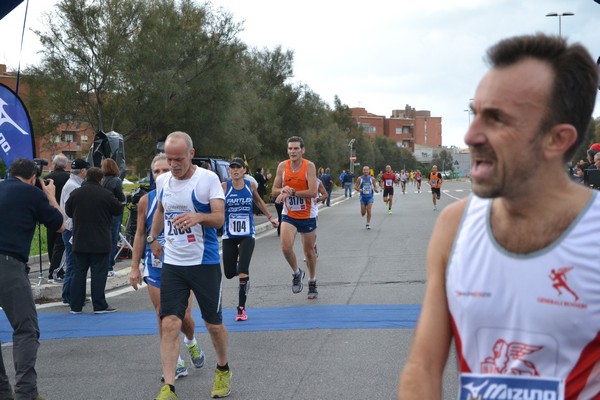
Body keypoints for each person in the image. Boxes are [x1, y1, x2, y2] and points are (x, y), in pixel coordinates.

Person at [398, 33, 600, 400]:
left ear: (557, 139)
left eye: (497, 119)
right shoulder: (454, 226)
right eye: (475, 113)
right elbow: (423, 368)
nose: (472, 134)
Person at [148, 131, 231, 399]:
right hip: (173, 264)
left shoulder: (207, 180)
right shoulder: (163, 182)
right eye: (170, 159)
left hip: (203, 263)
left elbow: (219, 219)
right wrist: (152, 237)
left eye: (179, 159)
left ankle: (222, 368)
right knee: (170, 321)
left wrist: (198, 217)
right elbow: (160, 211)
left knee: (213, 324)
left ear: (191, 154)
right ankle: (169, 387)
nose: (173, 164)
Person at [129, 153, 205, 381]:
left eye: (165, 170)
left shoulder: (186, 194)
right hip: (156, 266)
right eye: (156, 172)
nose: (161, 175)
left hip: (183, 263)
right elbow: (140, 234)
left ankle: (190, 341)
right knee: (163, 315)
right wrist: (134, 267)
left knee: (183, 316)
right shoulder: (146, 200)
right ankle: (176, 363)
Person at [0, 158, 64, 400]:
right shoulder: (31, 193)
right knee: (26, 329)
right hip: (8, 264)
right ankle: (27, 392)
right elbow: (60, 225)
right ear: (33, 178)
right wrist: (49, 195)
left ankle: (2, 390)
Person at [222, 158, 278, 321]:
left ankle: (241, 309)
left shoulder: (250, 185)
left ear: (244, 170)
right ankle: (240, 264)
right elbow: (215, 205)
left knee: (244, 271)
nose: (235, 170)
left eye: (238, 168)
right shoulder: (224, 187)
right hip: (229, 234)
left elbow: (258, 201)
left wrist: (270, 217)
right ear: (229, 171)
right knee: (229, 273)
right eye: (232, 168)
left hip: (247, 234)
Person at [65, 167, 123, 314]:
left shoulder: (76, 193)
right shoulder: (106, 194)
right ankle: (99, 305)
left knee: (79, 273)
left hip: (80, 239)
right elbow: (118, 209)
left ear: (86, 177)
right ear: (101, 179)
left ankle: (76, 306)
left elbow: (68, 211)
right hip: (100, 240)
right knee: (98, 273)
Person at [272, 136, 319, 299]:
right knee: (285, 247)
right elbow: (274, 189)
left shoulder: (309, 166)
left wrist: (293, 192)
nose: (293, 151)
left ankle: (312, 281)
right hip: (289, 213)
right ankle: (297, 272)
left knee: (309, 252)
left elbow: (313, 192)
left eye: (296, 148)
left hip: (307, 214)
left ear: (302, 150)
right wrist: (282, 191)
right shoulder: (282, 166)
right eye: (290, 149)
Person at [59, 158, 89, 306]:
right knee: (73, 263)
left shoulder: (74, 184)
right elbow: (72, 211)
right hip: (71, 229)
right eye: (86, 170)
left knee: (75, 262)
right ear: (82, 171)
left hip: (70, 228)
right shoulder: (73, 186)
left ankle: (74, 293)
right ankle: (68, 295)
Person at [45, 154, 70, 283]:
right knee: (61, 244)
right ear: (65, 165)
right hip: (64, 213)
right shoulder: (69, 177)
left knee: (51, 242)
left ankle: (52, 265)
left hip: (49, 212)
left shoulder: (48, 177)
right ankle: (57, 269)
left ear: (54, 164)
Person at [101, 158, 126, 277]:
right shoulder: (116, 180)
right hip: (114, 213)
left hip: (103, 212)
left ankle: (103, 265)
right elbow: (121, 198)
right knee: (113, 239)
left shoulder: (102, 180)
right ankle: (109, 266)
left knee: (105, 238)